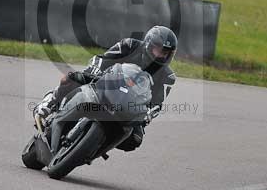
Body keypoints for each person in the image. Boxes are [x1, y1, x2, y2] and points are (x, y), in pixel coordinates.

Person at [33, 25, 178, 152]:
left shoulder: (168, 76)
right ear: (148, 44)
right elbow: (102, 59)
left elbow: (157, 103)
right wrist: (95, 71)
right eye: (157, 50)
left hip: (128, 105)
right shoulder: (129, 45)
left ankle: (95, 146)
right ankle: (49, 104)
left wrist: (148, 115)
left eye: (165, 53)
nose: (160, 56)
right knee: (71, 78)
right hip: (105, 83)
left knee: (134, 139)